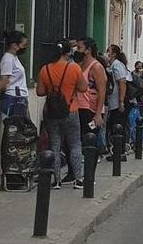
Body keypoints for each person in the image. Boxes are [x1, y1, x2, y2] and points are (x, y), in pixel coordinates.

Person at [36, 40, 87, 190]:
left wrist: (52, 89)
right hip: (71, 109)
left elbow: (39, 92)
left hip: (52, 112)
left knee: (55, 145)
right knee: (75, 144)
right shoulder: (74, 68)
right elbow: (83, 88)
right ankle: (78, 179)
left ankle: (56, 180)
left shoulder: (45, 69)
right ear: (66, 53)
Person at [75, 38, 107, 142]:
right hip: (78, 107)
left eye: (79, 48)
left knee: (89, 137)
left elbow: (102, 91)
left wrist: (98, 114)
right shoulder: (79, 65)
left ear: (88, 50)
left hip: (91, 109)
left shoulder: (96, 67)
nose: (77, 50)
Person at [105, 45, 130, 161]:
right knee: (114, 126)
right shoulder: (113, 65)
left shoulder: (117, 65)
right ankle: (117, 152)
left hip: (118, 102)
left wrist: (121, 102)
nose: (107, 53)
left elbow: (122, 83)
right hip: (113, 102)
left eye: (108, 51)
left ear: (114, 54)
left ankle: (120, 153)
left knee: (117, 126)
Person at [0, 30, 30, 119]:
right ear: (14, 45)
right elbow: (3, 82)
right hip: (14, 98)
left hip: (18, 97)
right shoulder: (8, 59)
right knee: (15, 127)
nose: (24, 47)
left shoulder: (14, 58)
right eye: (23, 45)